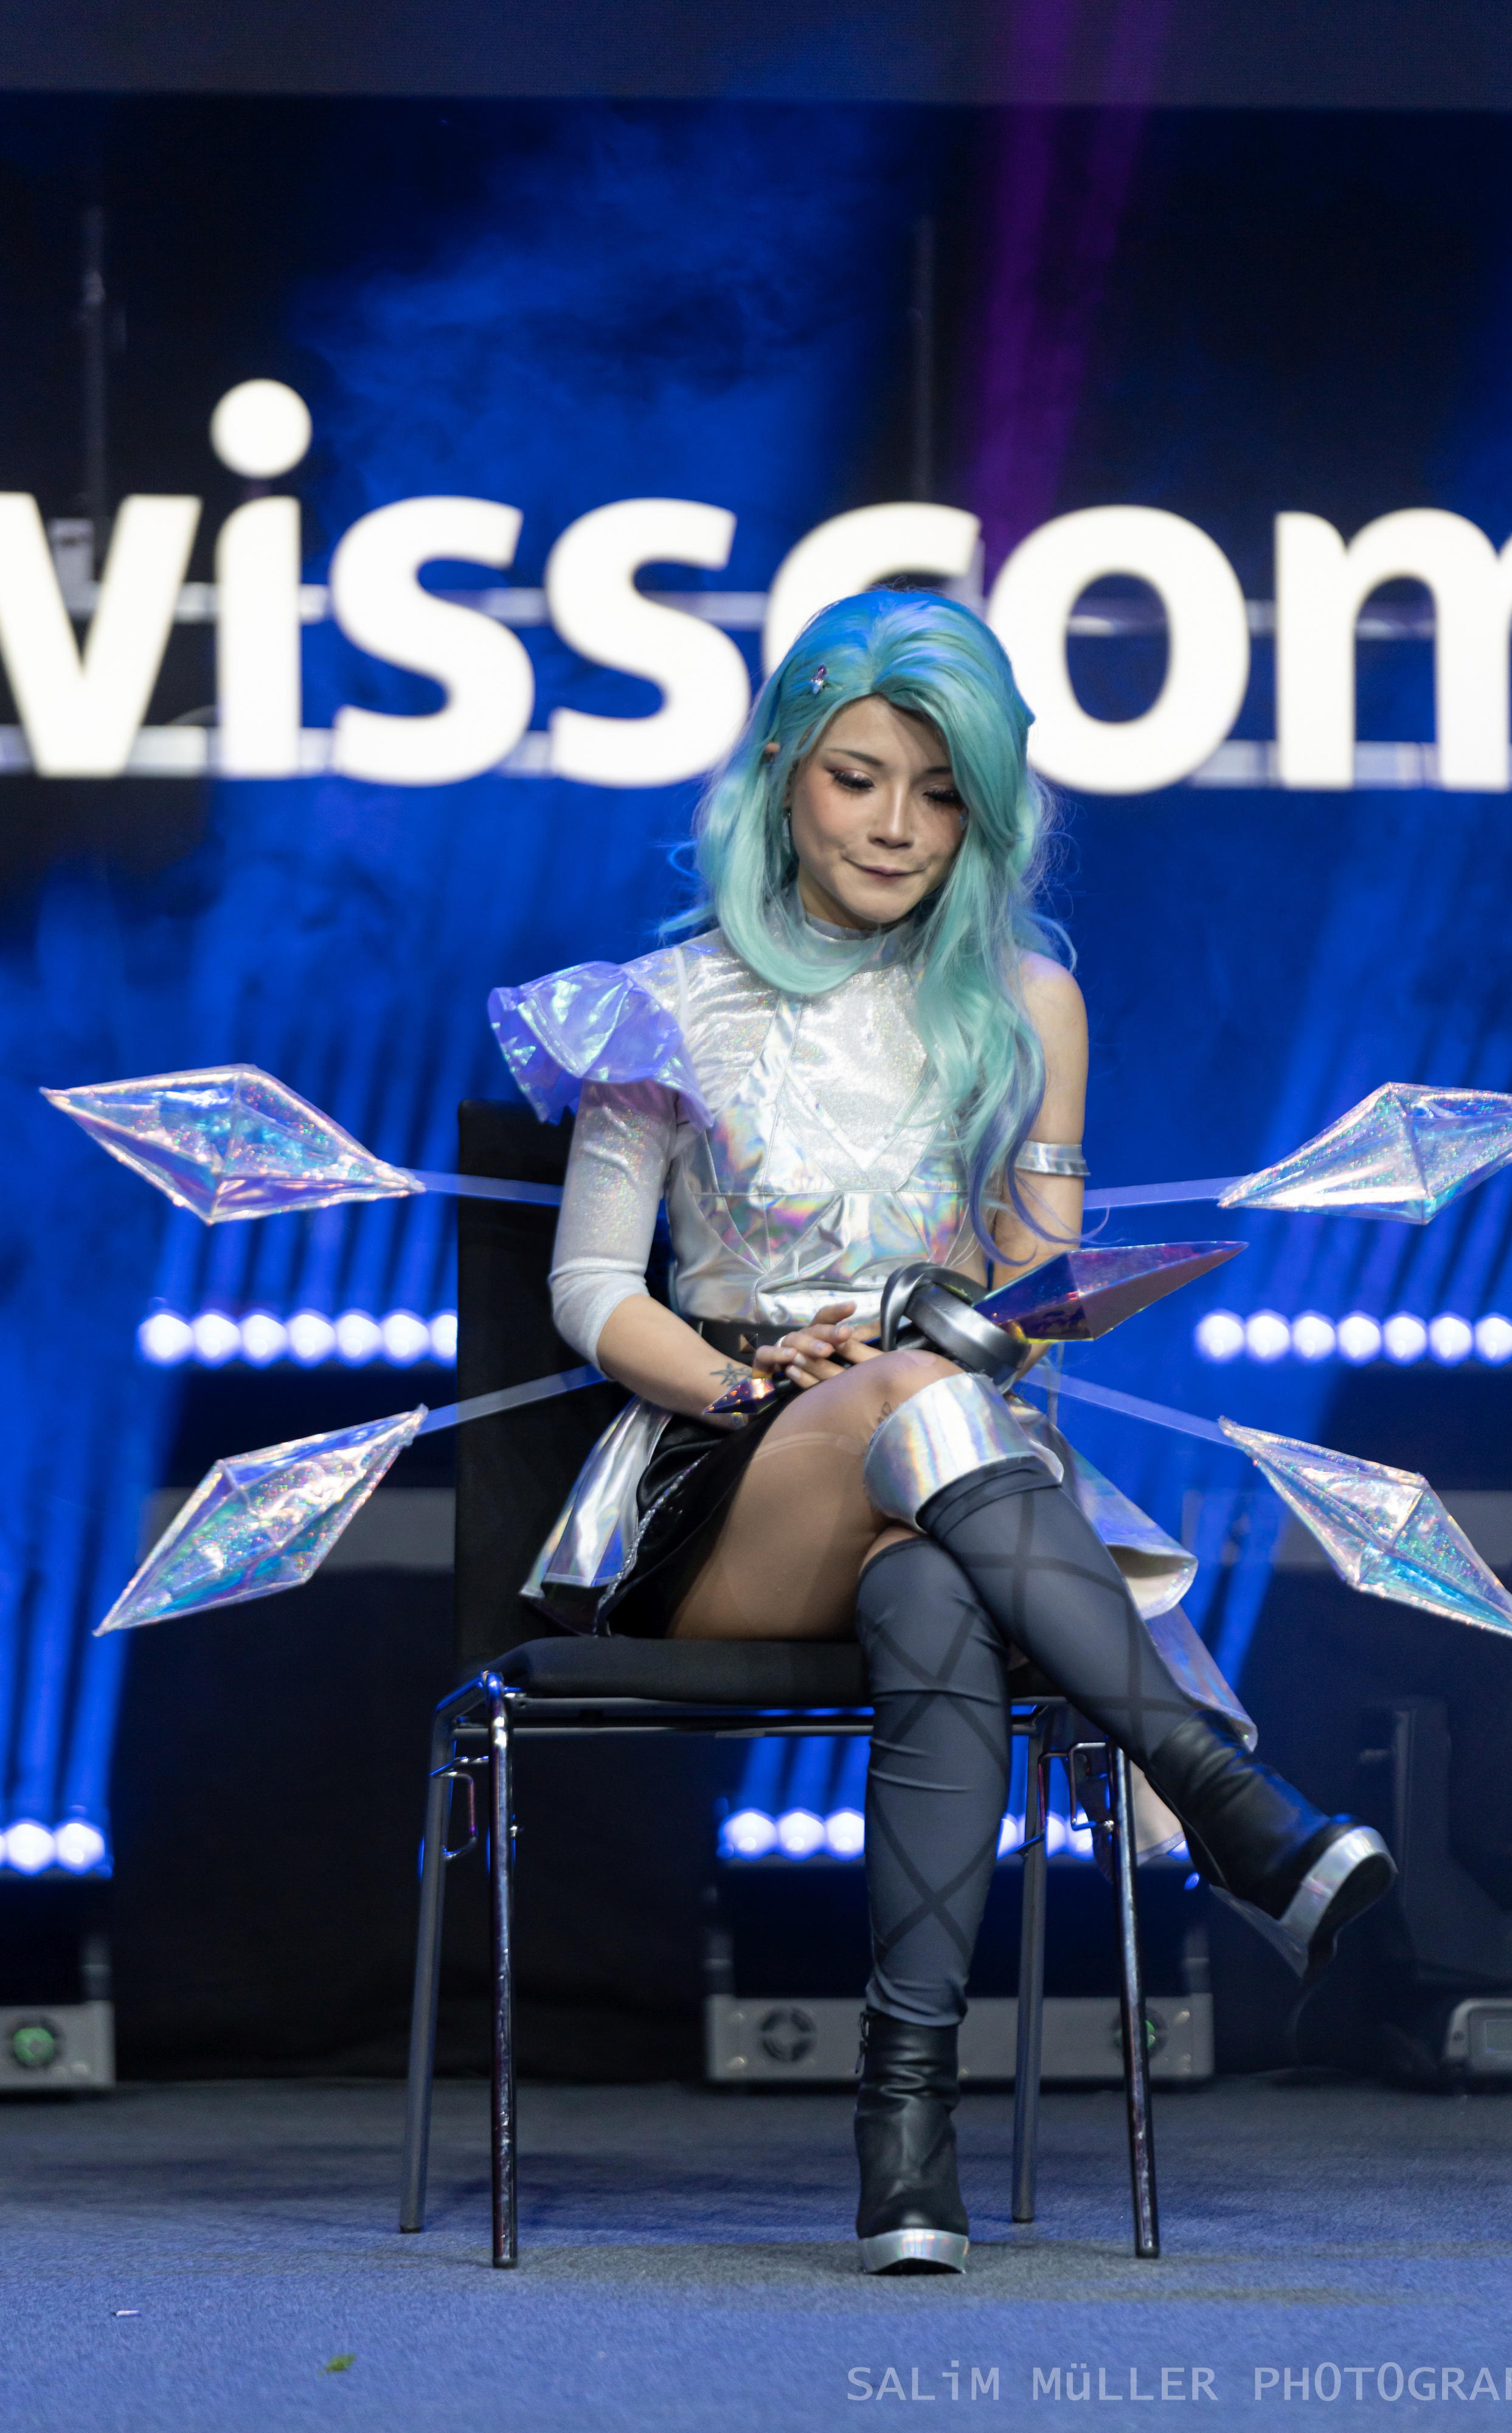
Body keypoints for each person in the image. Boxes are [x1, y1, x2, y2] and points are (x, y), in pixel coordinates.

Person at [500, 589, 1394, 2276]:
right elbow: (590, 1288)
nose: (897, 826)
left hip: (945, 1461)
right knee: (919, 1416)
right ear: (782, 772)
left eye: (940, 794)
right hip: (725, 1478)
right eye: (857, 780)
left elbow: (1032, 1276)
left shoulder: (1026, 1000)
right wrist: (748, 1382)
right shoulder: (650, 1005)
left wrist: (964, 1316)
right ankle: (1223, 1796)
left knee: (933, 1591)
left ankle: (905, 2129)